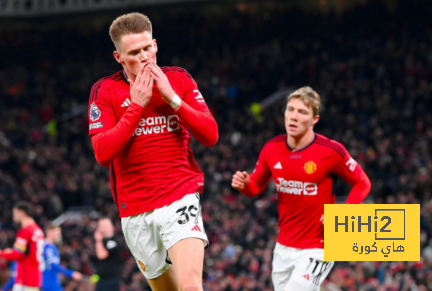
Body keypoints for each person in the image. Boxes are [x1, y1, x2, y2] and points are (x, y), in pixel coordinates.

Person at [88, 12, 218, 290]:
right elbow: (102, 154)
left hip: (179, 195)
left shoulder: (178, 80)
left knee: (191, 286)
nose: (145, 57)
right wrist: (137, 106)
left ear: (156, 45)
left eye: (148, 48)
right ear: (118, 57)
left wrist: (172, 98)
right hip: (135, 210)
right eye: (134, 52)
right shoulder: (105, 91)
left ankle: (339, 250)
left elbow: (211, 135)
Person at [231, 86, 372, 291]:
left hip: (320, 245)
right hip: (284, 246)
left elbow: (363, 183)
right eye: (290, 110)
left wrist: (343, 211)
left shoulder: (331, 151)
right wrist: (244, 185)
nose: (293, 117)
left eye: (302, 112)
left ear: (315, 119)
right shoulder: (272, 148)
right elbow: (256, 186)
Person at [0, 202, 44, 291]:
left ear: (21, 213)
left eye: (15, 213)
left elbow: (17, 254)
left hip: (25, 279)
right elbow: (25, 252)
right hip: (35, 277)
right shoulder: (37, 230)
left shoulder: (25, 231)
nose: (13, 217)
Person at [43, 224, 83, 291]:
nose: (58, 235)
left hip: (53, 282)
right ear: (49, 232)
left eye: (59, 233)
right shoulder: (47, 247)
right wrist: (71, 273)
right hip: (48, 282)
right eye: (56, 233)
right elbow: (53, 265)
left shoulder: (53, 247)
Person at [93, 218, 123, 291]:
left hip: (111, 280)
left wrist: (98, 240)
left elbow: (101, 255)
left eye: (105, 226)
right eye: (100, 226)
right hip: (101, 279)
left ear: (112, 228)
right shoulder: (103, 242)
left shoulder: (114, 241)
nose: (102, 229)